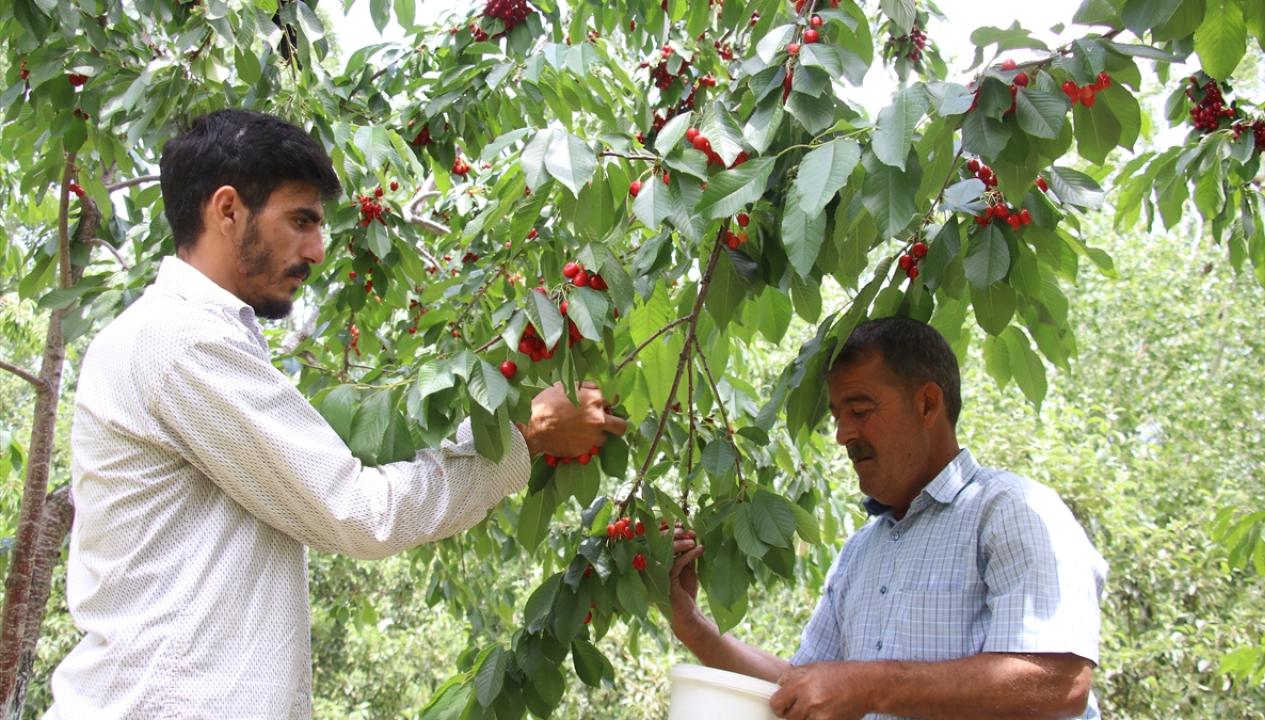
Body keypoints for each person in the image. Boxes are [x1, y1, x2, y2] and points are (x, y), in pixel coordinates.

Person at [44, 109, 625, 719]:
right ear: (226, 210)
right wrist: (525, 437)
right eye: (301, 221)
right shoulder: (184, 343)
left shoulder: (184, 337)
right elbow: (359, 513)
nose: (318, 250)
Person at [669, 317, 1107, 720]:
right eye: (839, 417)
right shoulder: (861, 551)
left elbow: (1061, 682)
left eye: (860, 411)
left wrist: (872, 685)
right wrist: (694, 626)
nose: (843, 435)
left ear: (927, 404)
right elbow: (801, 683)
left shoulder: (1012, 511)